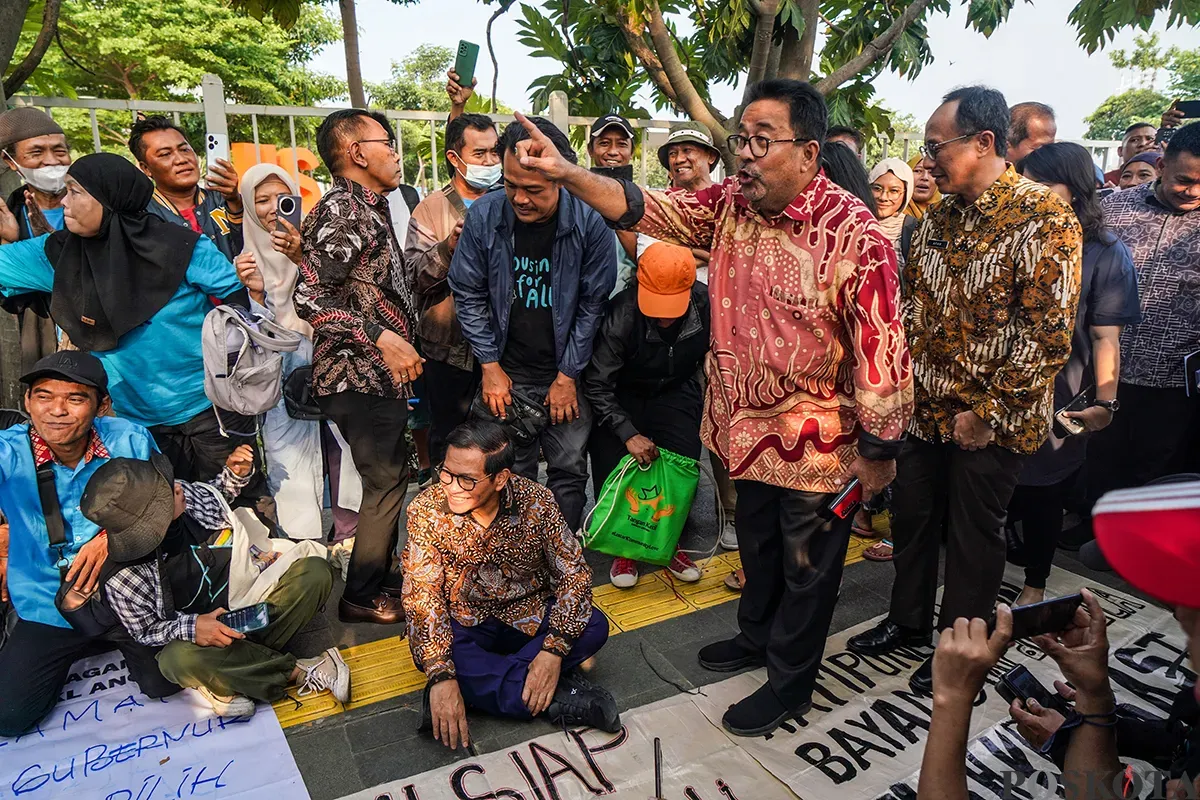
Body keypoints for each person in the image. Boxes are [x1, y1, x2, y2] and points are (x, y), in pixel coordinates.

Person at [504, 78, 914, 736]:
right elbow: (642, 205)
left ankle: (789, 683)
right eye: (740, 140)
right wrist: (568, 172)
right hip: (743, 434)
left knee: (807, 571)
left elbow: (883, 349)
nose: (744, 155)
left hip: (817, 446)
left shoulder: (857, 236)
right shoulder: (730, 205)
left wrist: (880, 450)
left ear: (809, 153)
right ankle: (755, 637)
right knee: (759, 549)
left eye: (761, 141)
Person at [847, 86, 1082, 695]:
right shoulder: (934, 221)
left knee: (975, 540)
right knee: (914, 519)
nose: (925, 164)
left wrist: (988, 411)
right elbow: (909, 311)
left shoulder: (1044, 217)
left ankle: (962, 653)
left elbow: (1047, 333)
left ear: (983, 143)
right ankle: (905, 624)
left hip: (992, 421)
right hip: (924, 413)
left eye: (935, 149)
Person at [0, 155, 256, 486]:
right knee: (158, 515)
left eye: (75, 192)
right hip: (133, 422)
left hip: (214, 406)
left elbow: (240, 299)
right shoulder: (57, 256)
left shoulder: (182, 246)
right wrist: (9, 238)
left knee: (238, 505)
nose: (65, 201)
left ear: (109, 199)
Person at [401, 420, 618, 748]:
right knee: (435, 652)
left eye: (466, 479)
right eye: (446, 472)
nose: (450, 486)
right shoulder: (425, 510)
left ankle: (482, 689)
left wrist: (552, 652)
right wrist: (442, 674)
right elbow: (423, 595)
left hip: (528, 614)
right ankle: (555, 697)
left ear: (500, 478)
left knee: (594, 624)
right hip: (464, 621)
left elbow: (574, 575)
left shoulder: (537, 501)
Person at [83, 453, 347, 718]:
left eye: (168, 482)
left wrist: (236, 473)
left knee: (315, 572)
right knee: (176, 660)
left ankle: (225, 678)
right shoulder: (123, 578)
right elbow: (146, 631)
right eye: (165, 495)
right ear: (149, 520)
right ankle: (299, 670)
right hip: (200, 640)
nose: (176, 487)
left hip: (248, 607)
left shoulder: (183, 495)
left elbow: (216, 492)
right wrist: (194, 627)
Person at [448, 116, 616, 533]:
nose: (519, 199)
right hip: (506, 370)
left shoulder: (589, 221)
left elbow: (592, 305)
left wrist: (567, 376)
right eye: (510, 185)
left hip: (567, 370)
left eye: (534, 190)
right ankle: (517, 561)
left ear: (561, 180)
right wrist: (489, 367)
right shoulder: (485, 214)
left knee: (568, 468)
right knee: (508, 469)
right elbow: (467, 293)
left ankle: (560, 557)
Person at [0, 352, 178, 736]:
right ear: (27, 402)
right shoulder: (7, 452)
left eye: (75, 399)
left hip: (123, 595)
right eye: (44, 396)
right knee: (9, 718)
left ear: (102, 405)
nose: (57, 411)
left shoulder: (130, 439)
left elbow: (166, 501)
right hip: (47, 603)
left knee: (163, 684)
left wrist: (110, 540)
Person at [296, 109, 422, 625]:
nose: (395, 152)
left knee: (389, 476)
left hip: (375, 376)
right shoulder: (344, 211)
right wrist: (378, 337)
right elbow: (310, 296)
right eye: (386, 142)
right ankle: (362, 595)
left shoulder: (371, 209)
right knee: (386, 480)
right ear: (355, 152)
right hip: (355, 373)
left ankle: (381, 573)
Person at [1005, 142, 1140, 607]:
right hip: (999, 390)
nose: (1029, 192)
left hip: (1060, 396)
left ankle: (1034, 584)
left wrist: (1104, 403)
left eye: (1042, 184)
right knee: (995, 488)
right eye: (1023, 181)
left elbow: (1105, 339)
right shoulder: (1009, 237)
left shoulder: (1104, 253)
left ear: (1077, 189)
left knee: (1044, 491)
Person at [582, 242, 709, 588]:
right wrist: (627, 433)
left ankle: (669, 544)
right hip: (621, 394)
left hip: (677, 389)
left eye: (672, 305)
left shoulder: (704, 301)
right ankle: (625, 546)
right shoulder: (621, 313)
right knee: (616, 467)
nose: (664, 315)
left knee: (681, 465)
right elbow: (597, 383)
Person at [1087, 122, 1200, 504]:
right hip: (1102, 366)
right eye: (1184, 179)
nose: (1194, 191)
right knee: (1097, 455)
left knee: (1155, 462)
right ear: (1163, 162)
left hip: (1172, 377)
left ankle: (1137, 540)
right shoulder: (1111, 208)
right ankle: (1089, 525)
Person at [233, 164, 324, 540]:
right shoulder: (244, 255)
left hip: (327, 356)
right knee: (289, 454)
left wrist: (304, 258)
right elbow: (246, 330)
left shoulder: (318, 240)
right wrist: (255, 294)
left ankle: (349, 537)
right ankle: (305, 542)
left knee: (344, 451)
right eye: (262, 200)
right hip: (278, 369)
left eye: (281, 198)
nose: (273, 208)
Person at [408, 112, 500, 465]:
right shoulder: (432, 208)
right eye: (480, 154)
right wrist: (448, 247)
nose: (490, 162)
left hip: (501, 347)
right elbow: (415, 276)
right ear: (454, 158)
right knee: (450, 438)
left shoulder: (509, 202)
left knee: (496, 440)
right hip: (449, 350)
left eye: (495, 153)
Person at [0, 107, 69, 369]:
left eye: (59, 151)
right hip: (44, 339)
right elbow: (11, 297)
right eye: (36, 152)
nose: (51, 161)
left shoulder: (94, 207)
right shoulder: (11, 216)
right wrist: (11, 245)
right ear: (10, 161)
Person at [129, 115, 243, 261]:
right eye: (165, 154)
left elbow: (250, 247)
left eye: (184, 150)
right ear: (146, 169)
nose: (181, 160)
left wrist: (235, 201)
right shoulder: (143, 217)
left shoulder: (223, 199)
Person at [588, 114, 640, 293]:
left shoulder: (643, 200)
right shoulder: (577, 198)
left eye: (622, 144)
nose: (612, 151)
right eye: (604, 143)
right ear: (590, 150)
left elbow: (645, 259)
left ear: (631, 152)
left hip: (626, 302)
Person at [868, 157, 918, 264]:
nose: (883, 197)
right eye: (877, 188)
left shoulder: (912, 230)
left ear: (906, 194)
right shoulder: (856, 222)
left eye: (894, 191)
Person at [903, 152, 942, 222]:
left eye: (931, 172)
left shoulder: (946, 215)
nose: (925, 177)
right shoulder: (890, 212)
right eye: (918, 171)